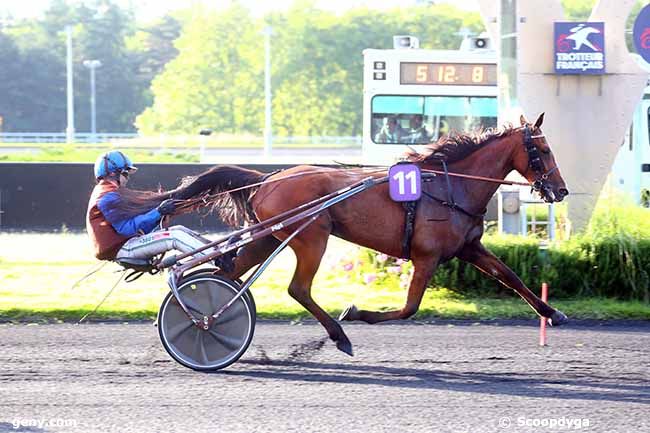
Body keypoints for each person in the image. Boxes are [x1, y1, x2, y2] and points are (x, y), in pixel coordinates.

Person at [86, 150, 218, 266]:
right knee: (174, 236)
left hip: (126, 244)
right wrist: (158, 212)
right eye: (126, 173)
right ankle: (218, 260)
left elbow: (135, 227)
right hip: (123, 249)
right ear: (114, 173)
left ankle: (217, 251)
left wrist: (159, 215)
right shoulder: (106, 197)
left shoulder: (109, 192)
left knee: (178, 229)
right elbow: (126, 229)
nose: (127, 178)